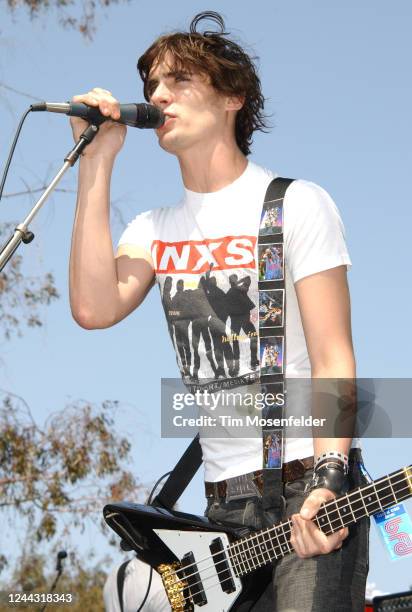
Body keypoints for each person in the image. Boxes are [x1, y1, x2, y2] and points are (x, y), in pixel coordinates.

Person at [69, 10, 369, 611]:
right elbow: (93, 307)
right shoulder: (152, 229)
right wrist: (97, 164)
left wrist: (330, 481)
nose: (158, 95)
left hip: (306, 484)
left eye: (179, 80)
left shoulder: (295, 204)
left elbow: (334, 353)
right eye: (151, 84)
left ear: (232, 96)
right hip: (218, 508)